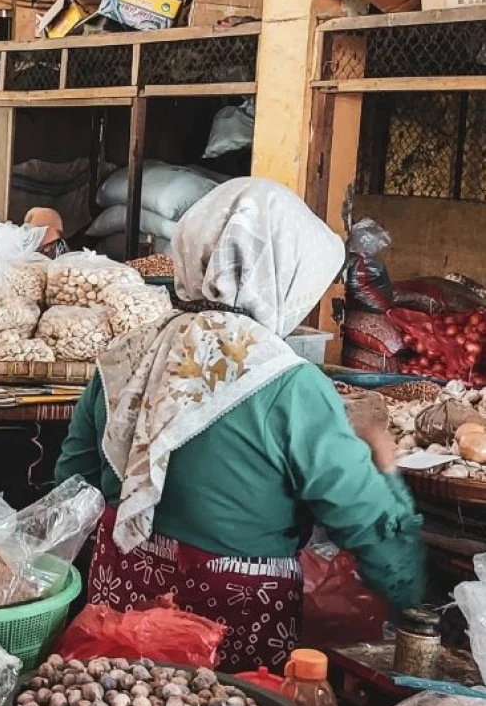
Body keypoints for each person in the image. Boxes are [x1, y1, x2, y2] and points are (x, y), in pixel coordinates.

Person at [55, 178, 425, 673]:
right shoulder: (288, 384)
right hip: (232, 636)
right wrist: (416, 604)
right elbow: (368, 523)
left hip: (119, 618)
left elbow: (70, 486)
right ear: (284, 276)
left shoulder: (127, 357)